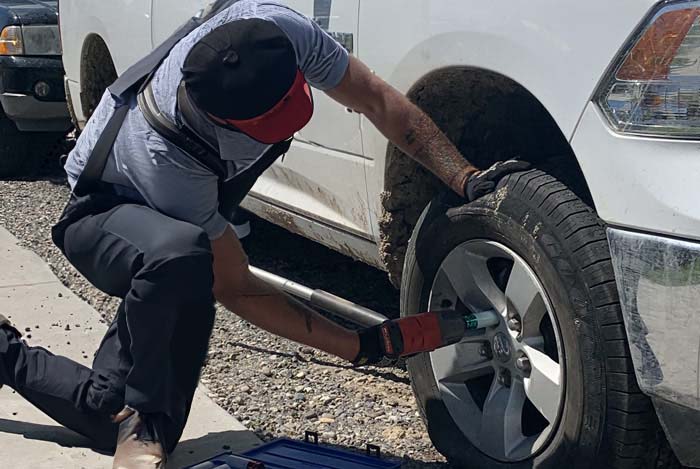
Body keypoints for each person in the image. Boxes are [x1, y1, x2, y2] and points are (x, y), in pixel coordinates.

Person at [0, 1, 528, 467]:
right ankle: (145, 420)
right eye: (273, 117)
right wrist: (354, 344)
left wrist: (465, 176)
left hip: (162, 239)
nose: (298, 109)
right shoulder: (172, 161)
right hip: (101, 214)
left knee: (99, 413)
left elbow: (375, 98)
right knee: (181, 258)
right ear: (224, 122)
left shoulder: (274, 29)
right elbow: (236, 287)